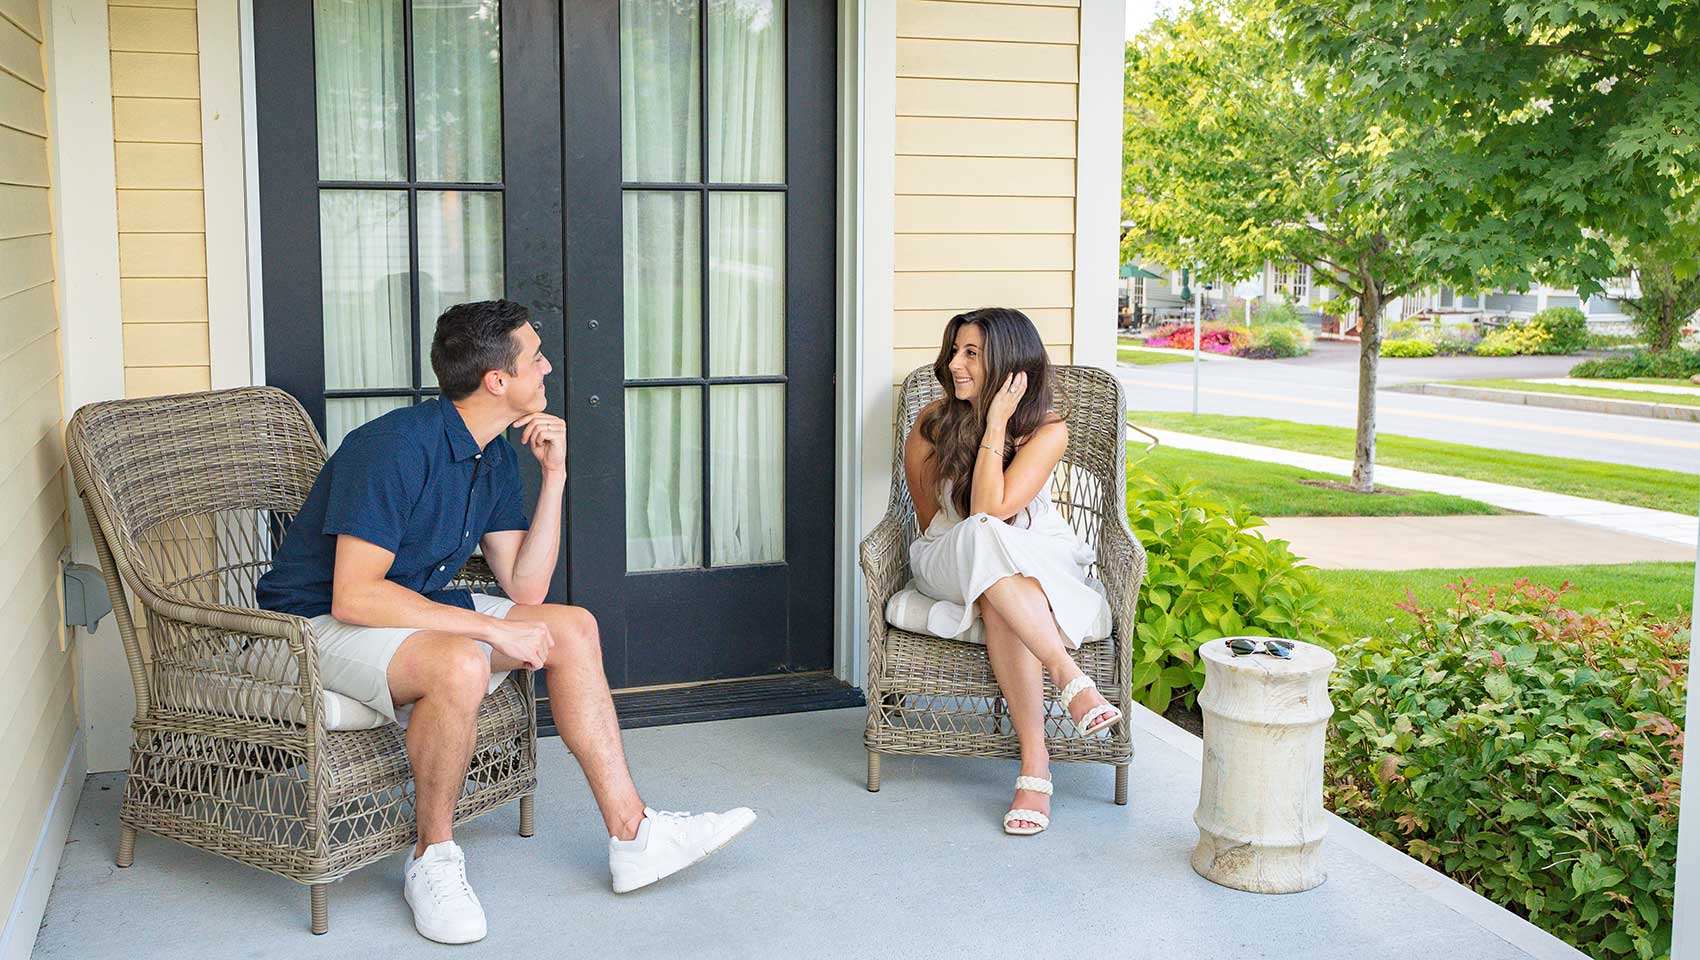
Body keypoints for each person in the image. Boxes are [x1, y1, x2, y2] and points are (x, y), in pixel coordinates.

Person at [256, 300, 754, 944]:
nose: (547, 366)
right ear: (497, 380)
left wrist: (555, 474)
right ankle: (432, 857)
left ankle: (635, 836)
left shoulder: (491, 451)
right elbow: (354, 597)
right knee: (461, 659)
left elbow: (525, 584)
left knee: (572, 627)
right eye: (535, 356)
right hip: (308, 626)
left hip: (405, 604)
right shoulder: (391, 448)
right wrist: (488, 630)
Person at [902, 307, 1122, 837]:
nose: (955, 363)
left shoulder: (1049, 430)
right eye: (955, 350)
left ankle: (1034, 767)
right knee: (979, 540)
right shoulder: (932, 422)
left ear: (1006, 363)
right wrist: (992, 424)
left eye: (971, 353)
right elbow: (966, 516)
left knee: (1001, 596)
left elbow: (997, 510)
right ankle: (1069, 677)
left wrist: (999, 421)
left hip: (1030, 552)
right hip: (947, 553)